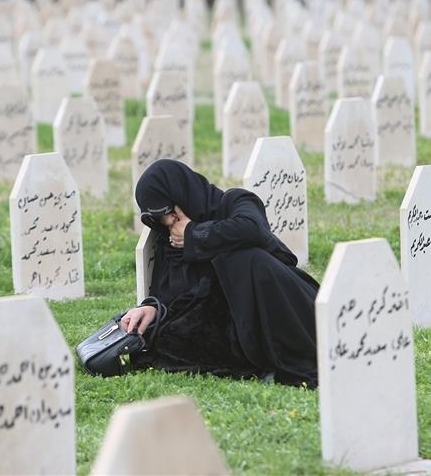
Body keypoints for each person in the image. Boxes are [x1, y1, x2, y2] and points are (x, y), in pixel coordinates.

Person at [120, 159, 319, 387]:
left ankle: (284, 357)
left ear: (182, 194)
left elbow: (252, 230)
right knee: (166, 339)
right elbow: (174, 294)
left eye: (169, 210)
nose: (169, 221)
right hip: (227, 326)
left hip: (279, 302)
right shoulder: (169, 239)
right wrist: (152, 308)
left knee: (245, 260)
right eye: (158, 218)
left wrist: (195, 234)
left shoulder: (235, 201)